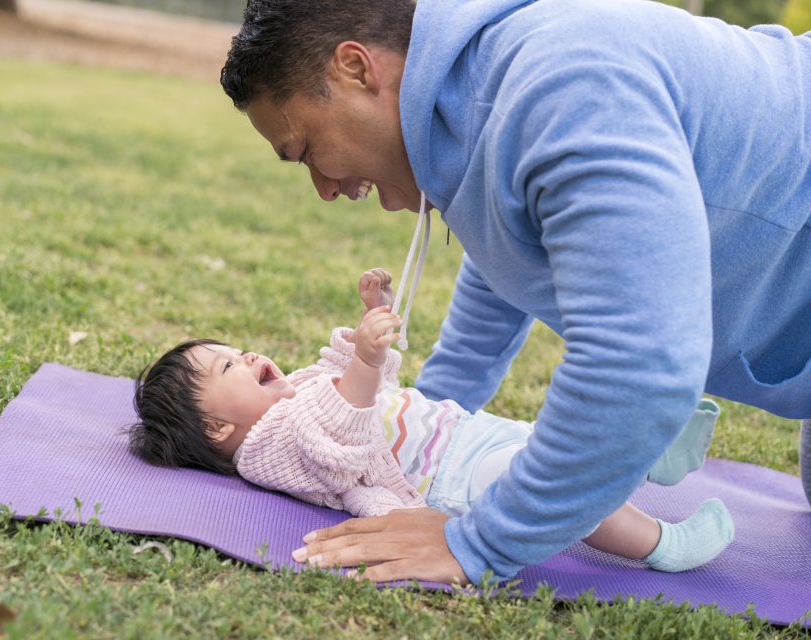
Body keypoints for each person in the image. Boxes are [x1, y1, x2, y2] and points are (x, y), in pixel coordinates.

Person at [219, 0, 811, 585]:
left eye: (305, 151)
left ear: (356, 69)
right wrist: (419, 448)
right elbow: (512, 248)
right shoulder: (475, 104)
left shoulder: (564, 89)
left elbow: (642, 362)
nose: (324, 187)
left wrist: (480, 542)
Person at [130, 268, 733, 575]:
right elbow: (340, 437)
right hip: (449, 481)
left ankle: (649, 455)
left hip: (467, 434)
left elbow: (357, 377)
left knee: (566, 443)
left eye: (237, 347)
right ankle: (660, 545)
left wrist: (371, 321)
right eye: (230, 365)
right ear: (216, 430)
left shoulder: (296, 390)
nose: (251, 356)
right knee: (564, 491)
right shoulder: (268, 449)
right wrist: (364, 361)